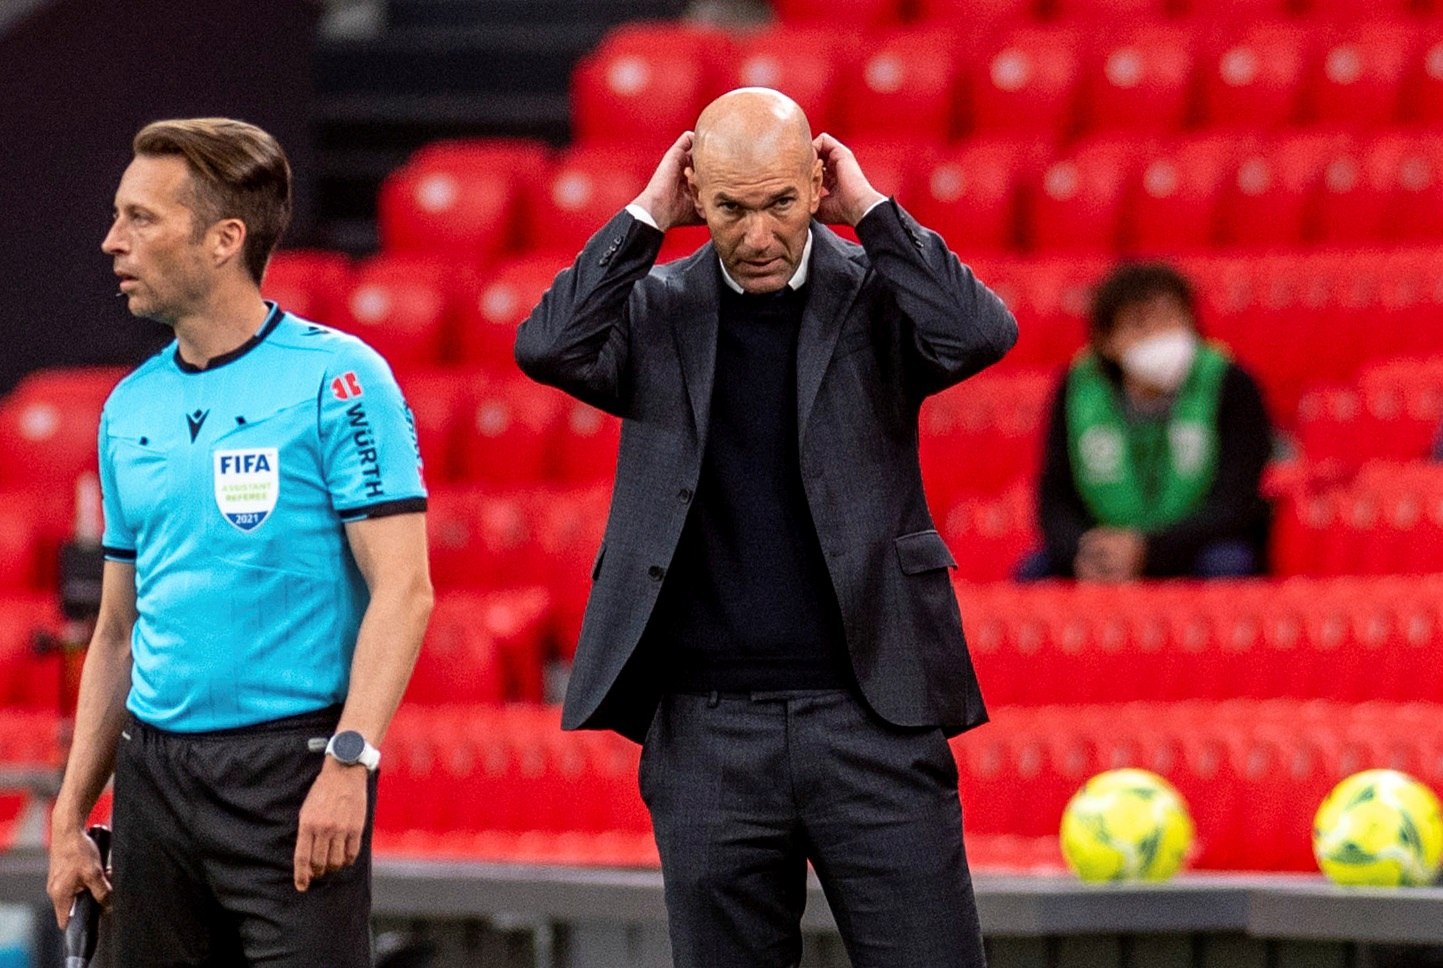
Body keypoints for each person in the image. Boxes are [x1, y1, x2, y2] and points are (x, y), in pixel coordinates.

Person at [515, 88, 1016, 968]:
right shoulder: (658, 308)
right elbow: (548, 346)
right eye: (730, 207)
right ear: (694, 194)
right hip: (708, 734)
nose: (757, 235)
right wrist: (642, 218)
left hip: (874, 719)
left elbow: (980, 331)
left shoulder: (874, 296)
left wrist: (870, 210)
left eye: (781, 202)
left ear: (815, 187)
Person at [45, 118, 433, 966]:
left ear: (225, 239)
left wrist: (350, 764)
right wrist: (73, 813)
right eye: (118, 216)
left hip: (291, 779)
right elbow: (116, 633)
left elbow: (405, 592)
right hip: (154, 785)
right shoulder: (127, 409)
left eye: (141, 218)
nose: (113, 241)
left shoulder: (341, 380)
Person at [1018, 262, 1273, 582]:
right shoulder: (1077, 388)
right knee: (1034, 574)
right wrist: (1082, 550)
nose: (1158, 336)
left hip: (1196, 545)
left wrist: (1150, 551)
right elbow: (1055, 497)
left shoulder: (1230, 383)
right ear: (1107, 341)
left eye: (1169, 320)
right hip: (1106, 544)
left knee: (1227, 565)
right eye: (1140, 324)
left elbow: (1239, 502)